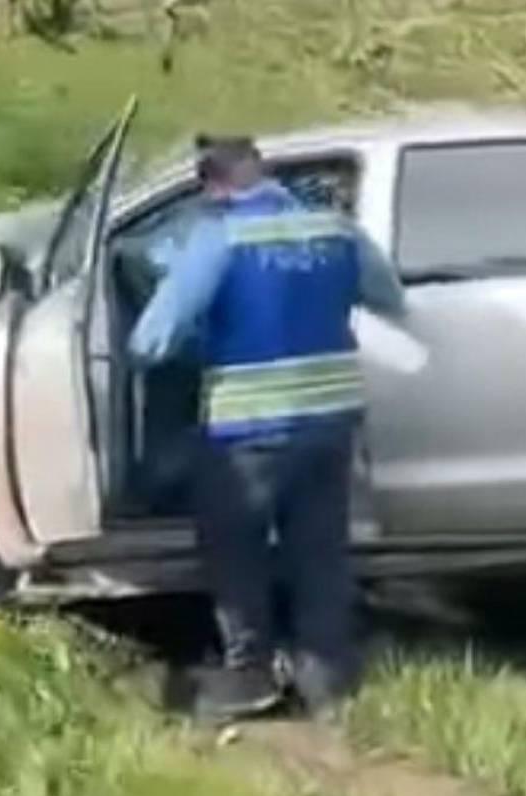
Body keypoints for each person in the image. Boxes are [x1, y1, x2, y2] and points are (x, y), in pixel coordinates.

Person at [128, 134, 405, 722]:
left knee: (237, 552)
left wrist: (200, 341)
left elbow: (151, 342)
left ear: (213, 186)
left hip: (250, 431)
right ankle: (327, 678)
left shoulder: (219, 237)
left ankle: (250, 674)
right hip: (329, 423)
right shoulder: (337, 231)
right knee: (319, 549)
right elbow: (390, 297)